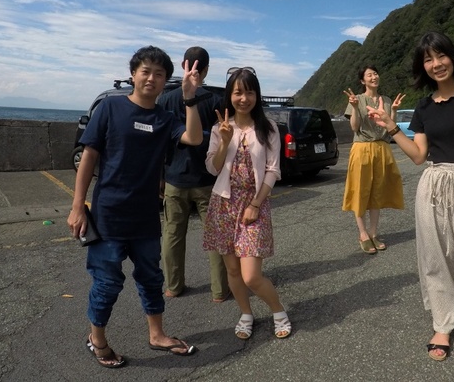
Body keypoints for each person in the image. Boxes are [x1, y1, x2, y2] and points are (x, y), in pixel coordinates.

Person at [367, 32, 454, 365]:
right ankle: (442, 323)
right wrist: (391, 127)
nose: (436, 64)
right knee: (436, 260)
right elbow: (419, 155)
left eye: (440, 56)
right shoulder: (424, 106)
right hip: (433, 183)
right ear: (423, 67)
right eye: (428, 59)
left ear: (452, 57)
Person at [67, 46, 201, 368]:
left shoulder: (165, 119)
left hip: (145, 218)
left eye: (159, 74)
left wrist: (190, 98)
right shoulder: (111, 108)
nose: (151, 78)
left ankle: (157, 334)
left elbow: (195, 138)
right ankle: (97, 339)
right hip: (108, 215)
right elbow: (89, 156)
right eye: (146, 71)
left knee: (151, 277)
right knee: (107, 282)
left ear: (166, 81)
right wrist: (77, 206)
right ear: (133, 74)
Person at [203, 67, 292, 340]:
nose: (244, 98)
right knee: (232, 270)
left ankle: (278, 310)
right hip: (223, 205)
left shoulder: (268, 128)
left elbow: (273, 170)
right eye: (238, 92)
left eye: (249, 92)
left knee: (251, 276)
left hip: (254, 204)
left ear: (257, 95)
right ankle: (245, 313)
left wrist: (255, 203)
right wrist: (224, 142)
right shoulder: (220, 128)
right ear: (230, 96)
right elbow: (212, 168)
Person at [157, 46, 229, 301]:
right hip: (208, 180)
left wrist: (160, 176)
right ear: (206, 69)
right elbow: (224, 139)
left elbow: (161, 143)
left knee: (173, 235)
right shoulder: (215, 100)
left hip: (175, 177)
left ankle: (173, 286)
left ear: (182, 65)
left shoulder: (165, 100)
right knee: (215, 236)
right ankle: (219, 290)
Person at [342, 65, 405, 254]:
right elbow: (354, 127)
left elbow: (390, 126)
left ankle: (374, 233)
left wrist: (394, 110)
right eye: (369, 75)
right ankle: (363, 234)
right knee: (360, 191)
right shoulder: (357, 99)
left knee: (377, 192)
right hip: (362, 148)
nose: (374, 77)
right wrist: (355, 108)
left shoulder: (386, 100)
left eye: (375, 73)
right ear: (363, 80)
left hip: (381, 148)